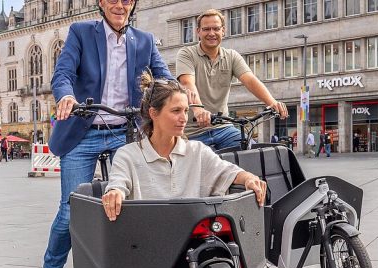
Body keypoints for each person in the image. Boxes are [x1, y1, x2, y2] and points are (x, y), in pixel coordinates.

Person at [34, 0, 172, 268]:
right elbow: (63, 73)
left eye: (126, 0)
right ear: (100, 2)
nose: (119, 5)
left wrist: (181, 93)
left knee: (133, 205)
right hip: (84, 131)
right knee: (71, 210)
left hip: (124, 131)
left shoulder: (144, 41)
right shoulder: (81, 33)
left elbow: (163, 76)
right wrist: (67, 95)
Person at [102, 72, 266, 220]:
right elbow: (118, 184)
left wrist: (249, 178)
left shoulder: (197, 151)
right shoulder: (127, 155)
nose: (184, 118)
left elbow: (228, 172)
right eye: (176, 111)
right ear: (153, 113)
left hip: (193, 245)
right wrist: (114, 193)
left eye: (186, 111)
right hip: (145, 242)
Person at [176, 9, 287, 150]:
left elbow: (250, 80)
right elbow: (187, 82)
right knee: (195, 165)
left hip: (223, 127)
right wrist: (198, 110)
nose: (211, 33)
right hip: (193, 131)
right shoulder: (187, 53)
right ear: (198, 32)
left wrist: (273, 103)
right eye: (206, 29)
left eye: (216, 29)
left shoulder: (232, 56)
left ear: (223, 31)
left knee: (250, 152)